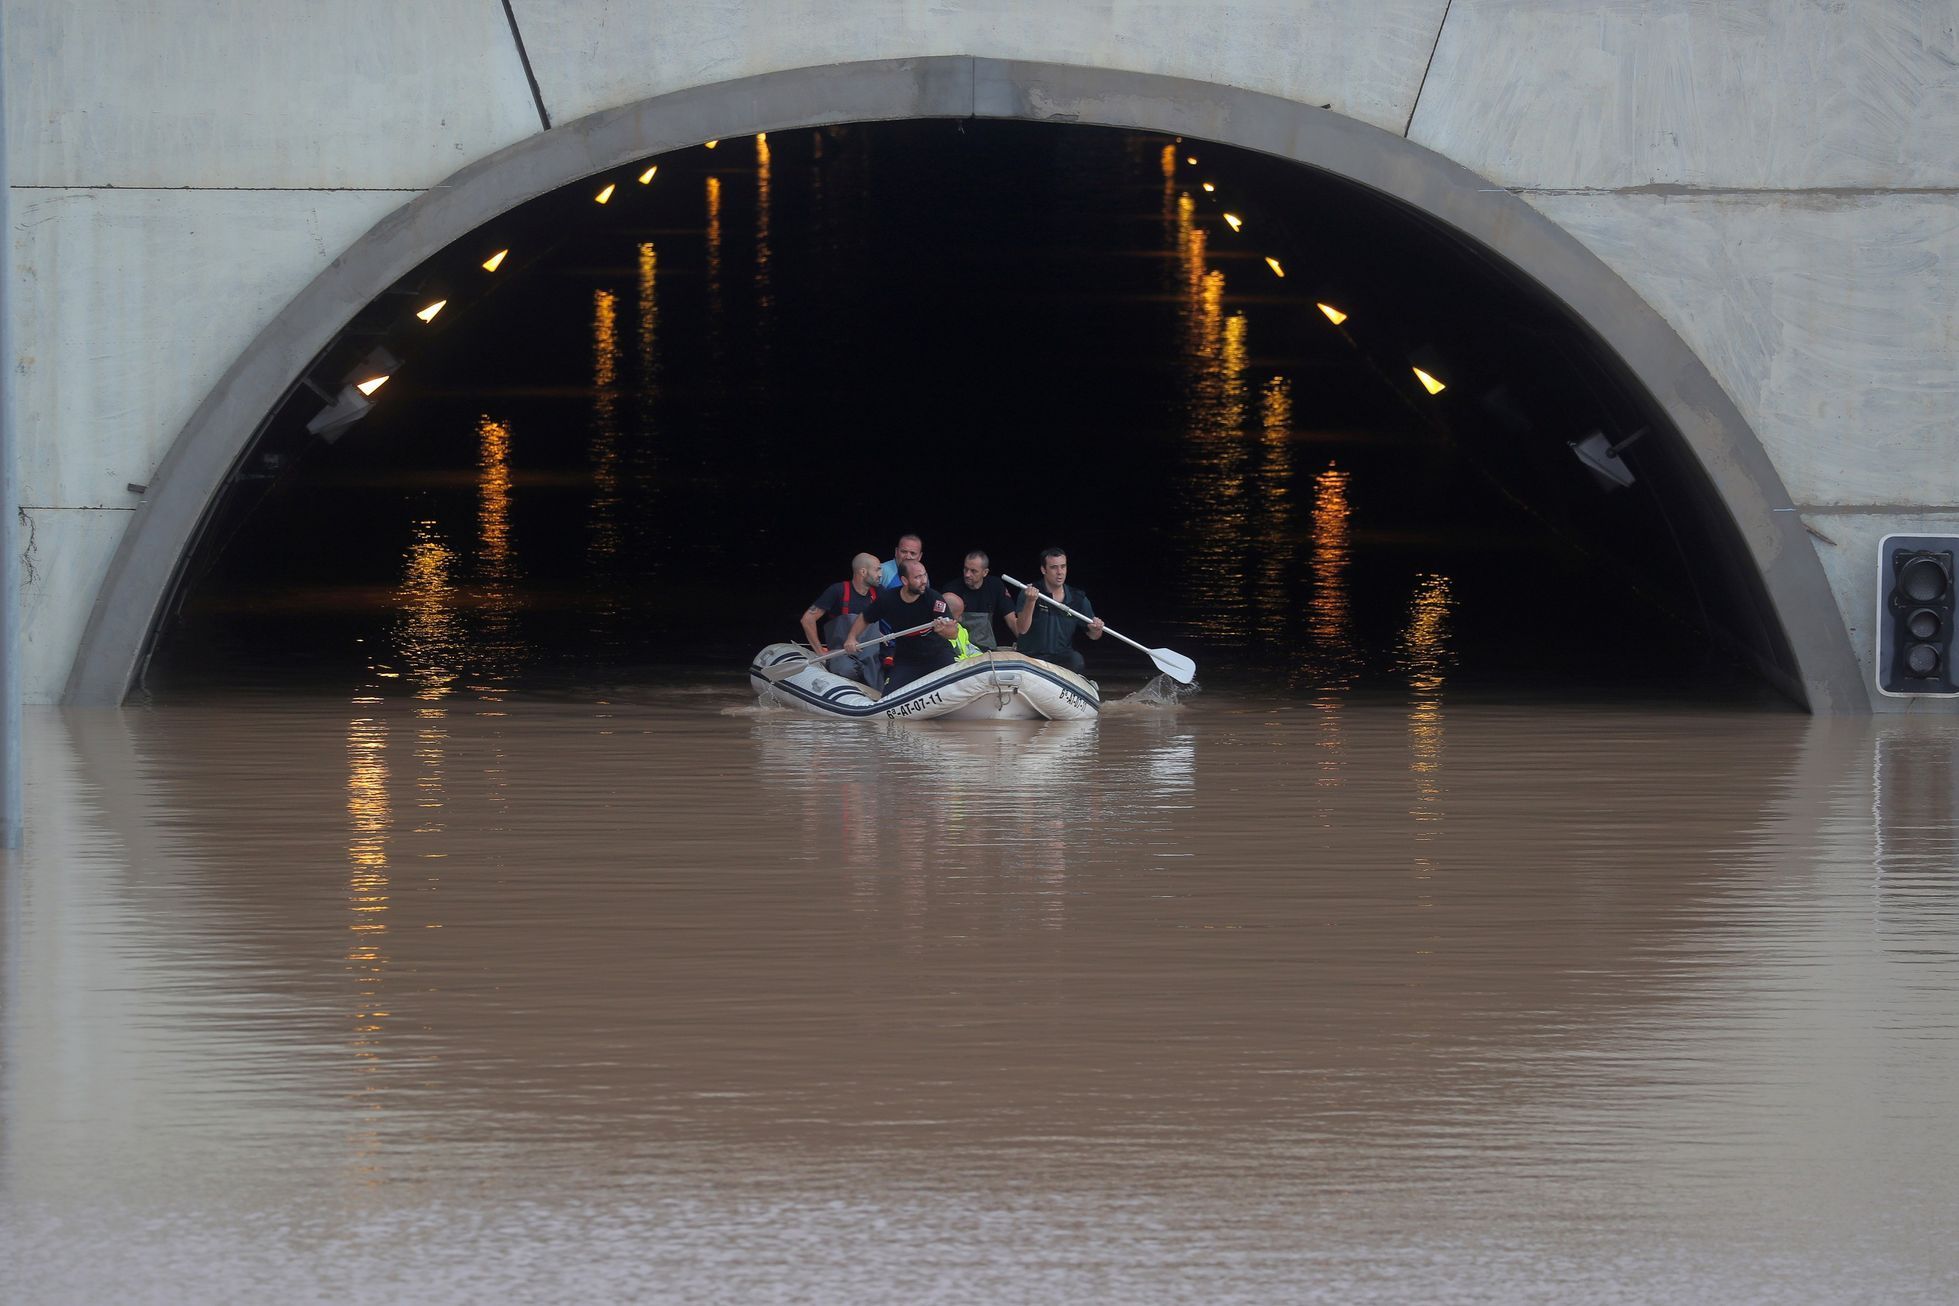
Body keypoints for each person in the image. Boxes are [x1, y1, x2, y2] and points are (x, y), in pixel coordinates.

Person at [845, 559, 960, 690]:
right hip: (907, 660)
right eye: (917, 577)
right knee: (889, 696)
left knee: (956, 687)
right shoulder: (888, 599)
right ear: (905, 581)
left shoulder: (934, 598)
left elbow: (953, 634)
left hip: (938, 655)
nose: (924, 581)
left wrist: (943, 630)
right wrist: (851, 638)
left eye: (924, 575)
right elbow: (865, 617)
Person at [1007, 547, 1104, 673]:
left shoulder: (1077, 598)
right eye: (1054, 567)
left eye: (1063, 567)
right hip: (1031, 657)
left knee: (1076, 660)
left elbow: (1094, 636)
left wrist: (1096, 629)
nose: (1060, 572)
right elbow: (1022, 629)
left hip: (1061, 657)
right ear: (1043, 570)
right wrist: (1031, 602)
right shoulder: (1029, 592)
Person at [799, 553, 883, 686]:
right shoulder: (838, 591)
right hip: (842, 655)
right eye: (877, 569)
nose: (880, 574)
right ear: (863, 571)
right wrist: (820, 652)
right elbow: (807, 619)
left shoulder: (879, 593)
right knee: (845, 670)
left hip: (870, 658)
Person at [877, 534, 965, 618]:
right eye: (904, 552)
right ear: (896, 552)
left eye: (913, 553)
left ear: (920, 556)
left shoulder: (922, 574)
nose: (908, 556)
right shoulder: (882, 570)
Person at [952, 550, 1014, 652]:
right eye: (965, 569)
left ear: (985, 572)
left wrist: (1025, 646)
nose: (967, 574)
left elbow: (1012, 621)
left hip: (988, 650)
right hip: (961, 651)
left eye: (973, 571)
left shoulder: (995, 586)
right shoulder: (952, 589)